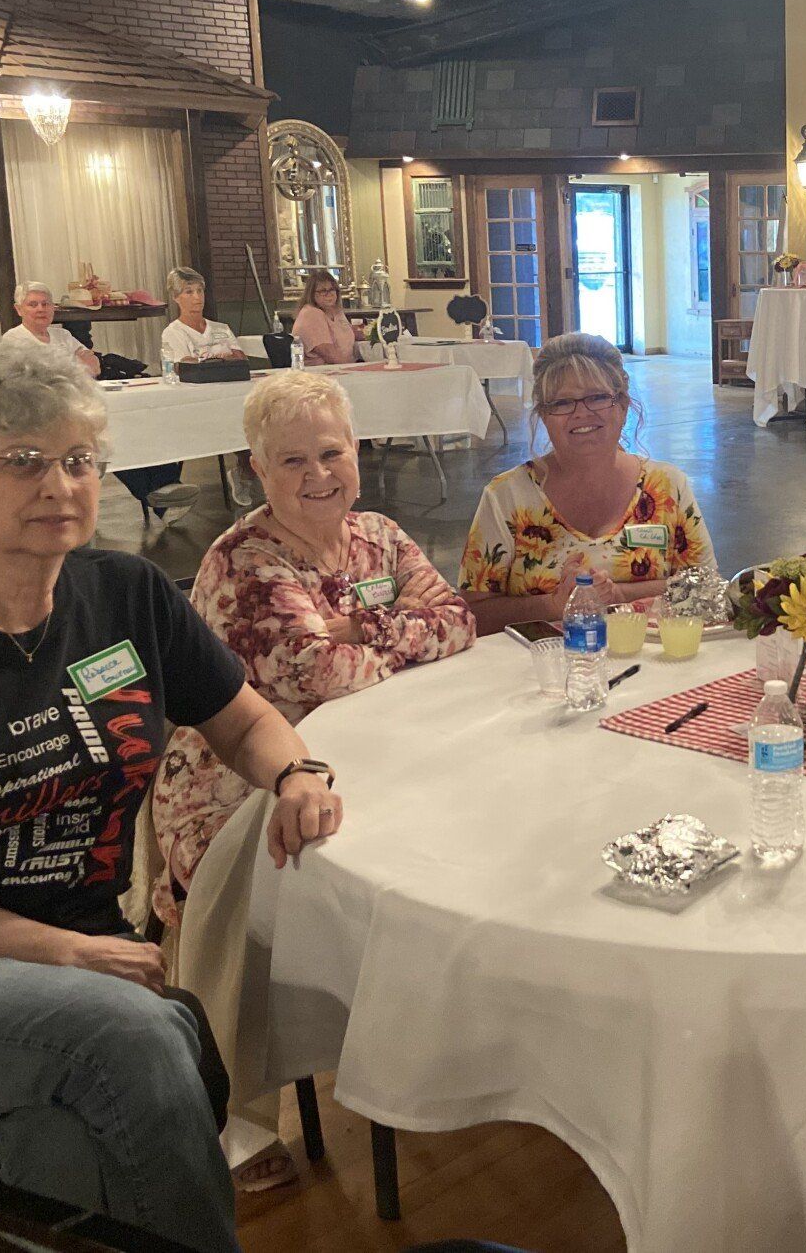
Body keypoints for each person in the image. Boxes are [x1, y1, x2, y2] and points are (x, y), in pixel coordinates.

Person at [0, 347, 347, 1253]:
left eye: (77, 461)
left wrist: (299, 774)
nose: (60, 484)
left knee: (69, 1131)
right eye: (22, 461)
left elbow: (246, 720)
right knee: (125, 1034)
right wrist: (60, 951)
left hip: (79, 967)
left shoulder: (127, 597)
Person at [150, 370, 475, 1188]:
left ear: (354, 449)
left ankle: (427, 1035)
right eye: (291, 461)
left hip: (378, 745)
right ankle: (234, 1111)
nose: (317, 475)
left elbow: (460, 619)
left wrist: (358, 626)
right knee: (290, 857)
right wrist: (393, 631)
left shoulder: (380, 535)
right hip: (238, 779)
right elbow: (318, 667)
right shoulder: (245, 561)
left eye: (330, 452)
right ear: (257, 471)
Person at [459, 332, 716, 630]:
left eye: (597, 397)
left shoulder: (668, 487)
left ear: (622, 405)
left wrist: (618, 595)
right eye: (562, 402)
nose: (582, 413)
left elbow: (708, 590)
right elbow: (471, 615)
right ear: (543, 415)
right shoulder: (507, 498)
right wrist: (552, 605)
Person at [0, 281, 98, 378]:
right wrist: (76, 366)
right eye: (33, 305)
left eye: (45, 304)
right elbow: (33, 377)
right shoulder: (13, 338)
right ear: (19, 309)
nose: (41, 309)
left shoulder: (63, 335)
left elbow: (92, 365)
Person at [161, 266, 245, 365]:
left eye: (199, 291)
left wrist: (203, 360)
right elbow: (184, 365)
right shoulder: (173, 332)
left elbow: (241, 359)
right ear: (176, 297)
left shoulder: (222, 328)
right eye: (189, 292)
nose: (197, 297)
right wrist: (223, 358)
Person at [291, 270, 362, 366]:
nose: (329, 294)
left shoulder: (337, 312)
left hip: (343, 366)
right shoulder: (311, 313)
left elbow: (347, 333)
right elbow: (329, 355)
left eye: (332, 289)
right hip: (321, 372)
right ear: (312, 293)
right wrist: (357, 367)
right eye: (323, 291)